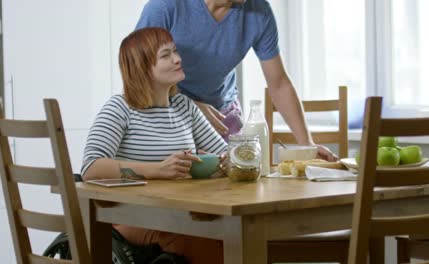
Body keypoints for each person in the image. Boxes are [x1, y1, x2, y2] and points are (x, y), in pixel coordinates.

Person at [81, 27, 226, 263]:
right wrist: (157, 170)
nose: (178, 59)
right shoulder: (120, 108)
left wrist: (226, 161)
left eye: (175, 52)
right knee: (207, 242)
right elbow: (91, 168)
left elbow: (224, 154)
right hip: (131, 217)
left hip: (180, 212)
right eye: (166, 55)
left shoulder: (183, 106)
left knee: (235, 234)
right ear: (142, 67)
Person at [135, 0, 338, 161]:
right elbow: (136, 69)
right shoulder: (164, 7)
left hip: (222, 116)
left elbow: (279, 84)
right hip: (169, 111)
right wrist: (190, 107)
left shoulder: (260, 12)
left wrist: (307, 144)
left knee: (233, 185)